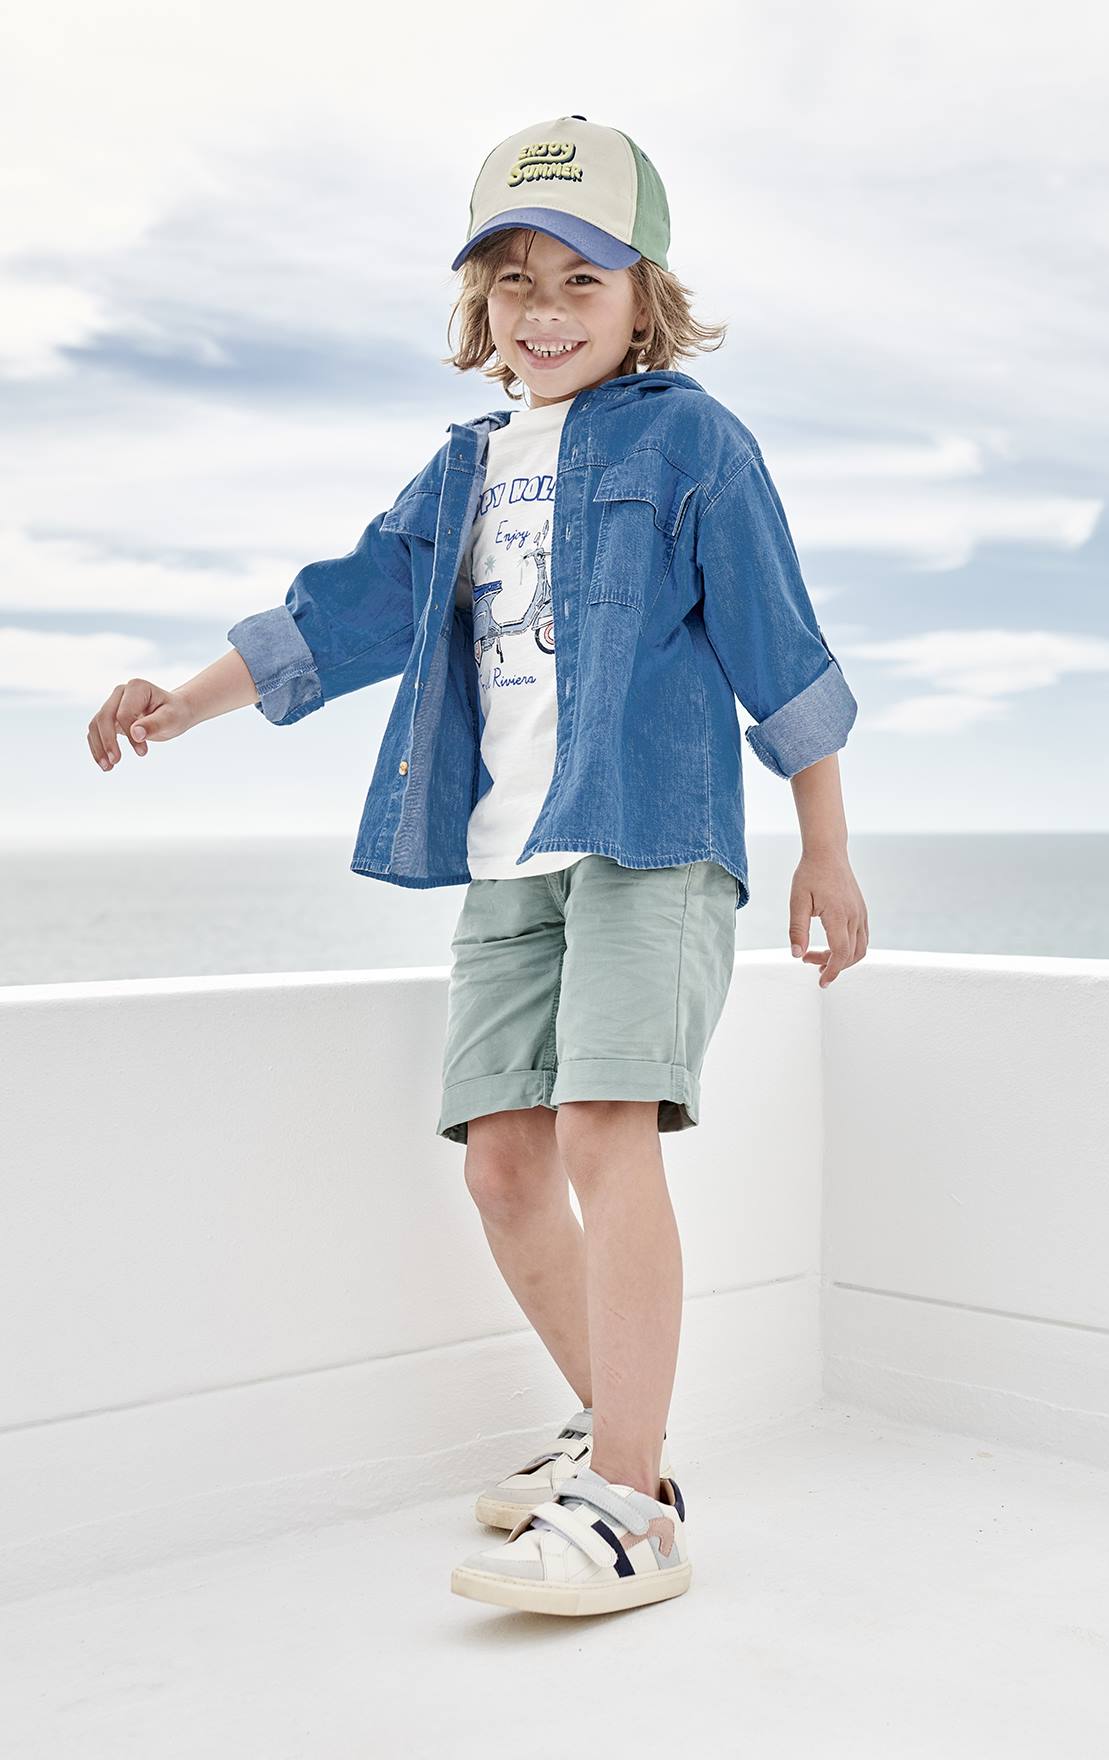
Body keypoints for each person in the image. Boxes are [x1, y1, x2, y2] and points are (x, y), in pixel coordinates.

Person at [85, 114, 869, 1618]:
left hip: (647, 835)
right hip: (510, 860)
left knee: (601, 1128)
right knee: (505, 1165)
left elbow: (781, 648)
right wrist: (179, 702)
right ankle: (621, 1438)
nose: (545, 312)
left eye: (582, 280)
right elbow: (340, 617)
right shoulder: (461, 472)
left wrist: (824, 848)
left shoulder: (692, 443)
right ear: (479, 302)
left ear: (643, 297)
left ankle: (630, 1505)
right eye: (515, 281)